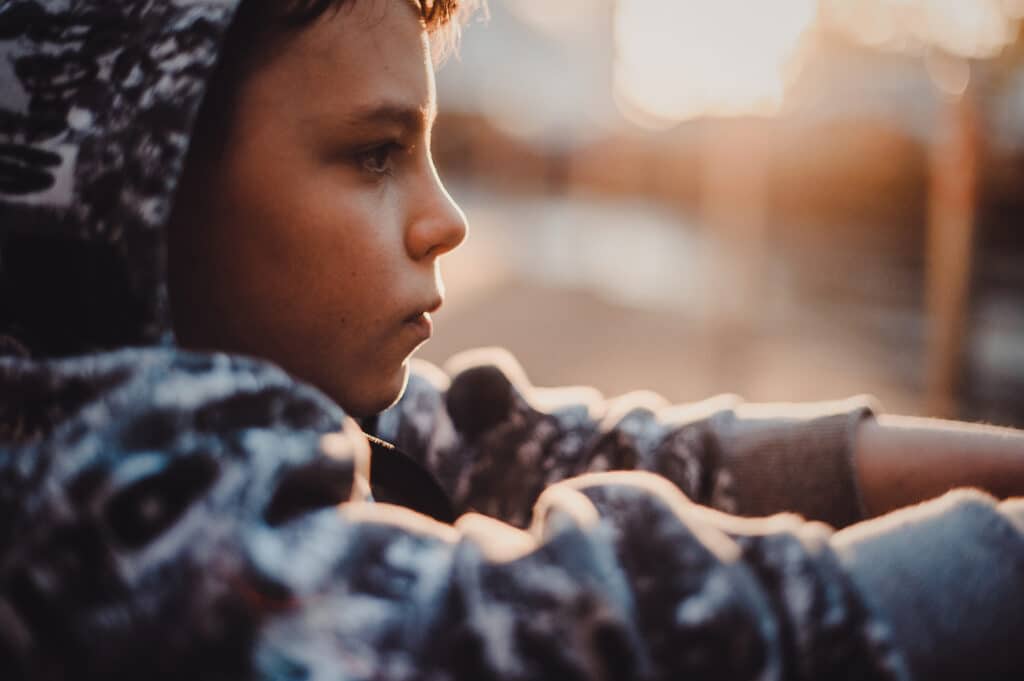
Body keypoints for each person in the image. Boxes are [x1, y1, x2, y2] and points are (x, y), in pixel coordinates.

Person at [0, 1, 1021, 679]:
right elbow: (552, 644)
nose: (446, 218)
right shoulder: (63, 490)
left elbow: (563, 449)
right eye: (374, 153)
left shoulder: (296, 396)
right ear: (134, 188)